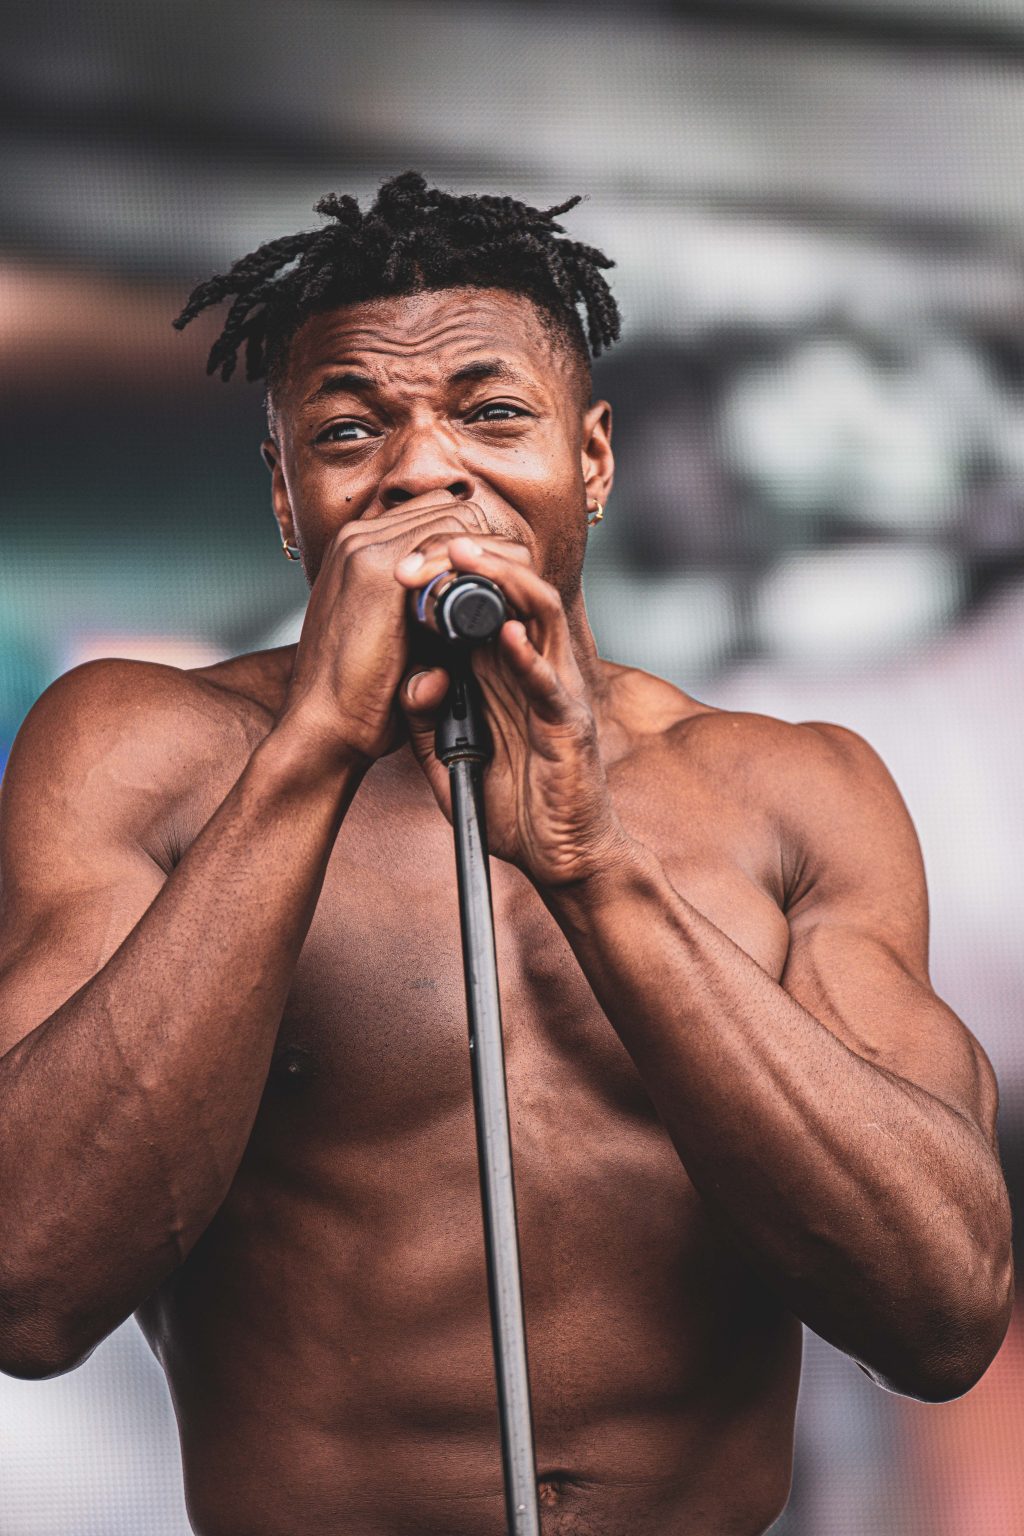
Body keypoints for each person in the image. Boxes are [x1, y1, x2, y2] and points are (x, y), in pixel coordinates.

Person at [0, 172, 1013, 1536]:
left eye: (490, 414)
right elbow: (29, 1286)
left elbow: (944, 1313)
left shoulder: (791, 789)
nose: (425, 469)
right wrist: (311, 754)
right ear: (287, 497)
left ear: (591, 461)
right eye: (350, 430)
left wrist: (599, 873)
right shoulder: (142, 752)